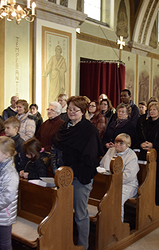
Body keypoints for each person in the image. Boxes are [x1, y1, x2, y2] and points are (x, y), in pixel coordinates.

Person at [53, 96, 103, 250]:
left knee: (81, 214)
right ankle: (65, 242)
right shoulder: (64, 128)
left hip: (81, 177)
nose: (72, 112)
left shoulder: (89, 130)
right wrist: (58, 170)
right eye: (69, 109)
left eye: (76, 109)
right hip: (64, 177)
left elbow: (92, 157)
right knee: (64, 212)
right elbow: (57, 149)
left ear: (83, 111)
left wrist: (74, 172)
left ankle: (83, 245)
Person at [136, 101, 159, 208]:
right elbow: (137, 138)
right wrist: (141, 144)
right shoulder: (144, 123)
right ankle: (144, 206)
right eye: (150, 109)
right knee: (143, 182)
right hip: (143, 156)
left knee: (155, 184)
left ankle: (157, 206)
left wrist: (153, 145)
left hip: (158, 159)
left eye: (154, 109)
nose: (152, 111)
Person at [99, 133, 139, 222]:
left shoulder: (131, 156)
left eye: (121, 143)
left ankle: (117, 224)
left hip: (126, 185)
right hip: (107, 182)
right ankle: (102, 222)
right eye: (116, 142)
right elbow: (102, 164)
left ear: (128, 145)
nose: (118, 145)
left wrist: (113, 181)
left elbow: (129, 176)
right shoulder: (111, 151)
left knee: (116, 198)